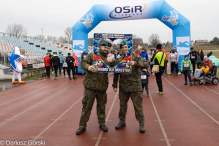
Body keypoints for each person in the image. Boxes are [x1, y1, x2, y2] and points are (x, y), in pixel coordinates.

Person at [76, 42, 125, 135]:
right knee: (86, 107)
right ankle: (82, 125)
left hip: (102, 88)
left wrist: (112, 62)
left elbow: (116, 67)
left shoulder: (109, 58)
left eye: (108, 48)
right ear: (100, 47)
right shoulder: (93, 55)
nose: (106, 49)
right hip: (90, 87)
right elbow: (83, 62)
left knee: (101, 107)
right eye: (104, 47)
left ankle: (102, 123)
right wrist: (88, 67)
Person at [112, 40, 149, 133]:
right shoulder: (119, 59)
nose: (124, 48)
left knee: (138, 106)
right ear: (121, 49)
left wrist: (135, 63)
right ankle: (122, 121)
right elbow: (116, 73)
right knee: (122, 106)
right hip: (123, 87)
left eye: (126, 47)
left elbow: (146, 64)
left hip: (135, 87)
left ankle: (141, 123)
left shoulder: (135, 56)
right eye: (122, 47)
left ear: (129, 47)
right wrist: (114, 85)